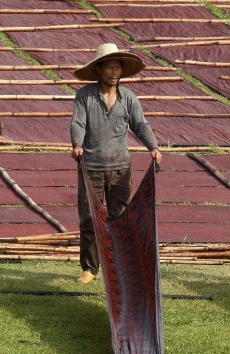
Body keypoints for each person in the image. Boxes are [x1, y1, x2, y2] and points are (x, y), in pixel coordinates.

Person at [70, 43, 162, 284]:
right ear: (99, 69)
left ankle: (121, 267)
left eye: (117, 67)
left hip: (120, 168)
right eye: (109, 67)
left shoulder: (129, 98)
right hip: (91, 168)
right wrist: (77, 144)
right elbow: (78, 124)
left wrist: (153, 147)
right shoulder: (85, 96)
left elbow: (140, 125)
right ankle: (90, 268)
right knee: (89, 217)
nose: (114, 72)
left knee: (120, 216)